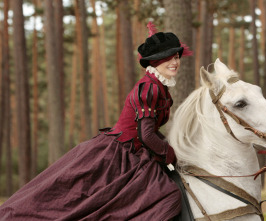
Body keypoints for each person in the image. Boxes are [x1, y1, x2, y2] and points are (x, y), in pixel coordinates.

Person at [0, 22, 192, 221]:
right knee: (164, 196)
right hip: (120, 155)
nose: (174, 62)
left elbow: (149, 131)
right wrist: (171, 154)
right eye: (167, 58)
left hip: (134, 152)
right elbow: (146, 135)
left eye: (176, 56)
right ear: (154, 62)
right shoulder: (149, 88)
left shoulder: (160, 88)